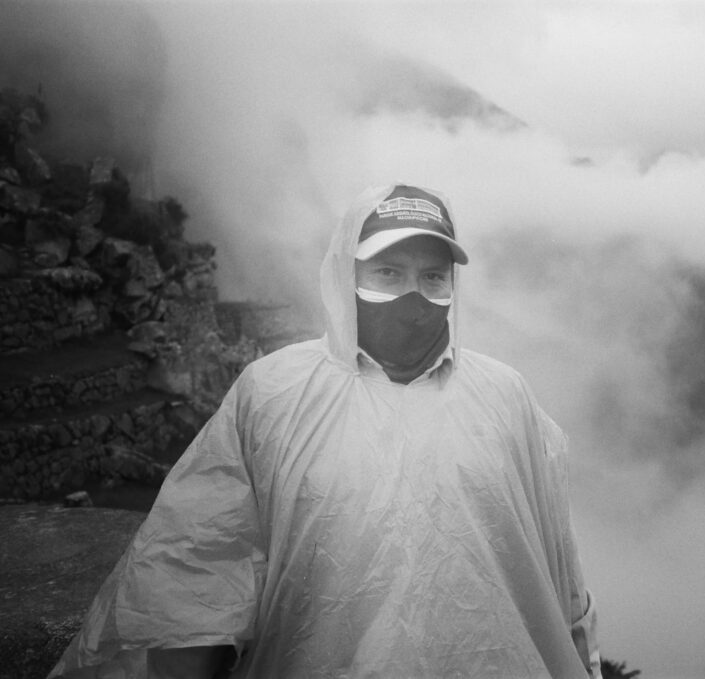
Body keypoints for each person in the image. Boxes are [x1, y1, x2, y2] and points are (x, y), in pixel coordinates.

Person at [49, 183, 602, 679]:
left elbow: (558, 566)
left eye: (433, 276)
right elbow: (197, 570)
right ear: (345, 273)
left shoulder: (505, 396)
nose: (415, 294)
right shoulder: (272, 393)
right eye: (387, 272)